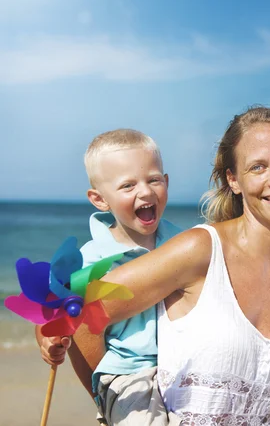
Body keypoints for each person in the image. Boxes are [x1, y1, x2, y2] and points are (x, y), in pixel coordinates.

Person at [93, 107, 270, 425]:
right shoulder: (200, 250)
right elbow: (80, 311)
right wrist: (113, 405)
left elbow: (265, 407)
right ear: (234, 179)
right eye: (258, 167)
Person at [35, 129, 180, 425]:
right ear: (100, 199)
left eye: (153, 179)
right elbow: (51, 312)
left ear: (166, 182)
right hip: (127, 373)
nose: (145, 192)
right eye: (128, 185)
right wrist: (49, 342)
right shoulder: (88, 259)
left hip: (183, 364)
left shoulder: (183, 243)